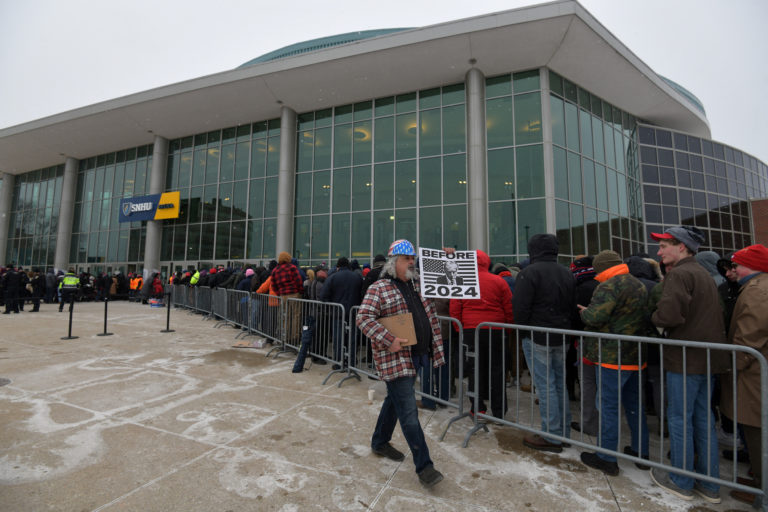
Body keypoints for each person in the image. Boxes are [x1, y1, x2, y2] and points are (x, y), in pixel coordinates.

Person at [356, 239, 446, 488]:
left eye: (413, 260)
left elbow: (449, 280)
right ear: (395, 262)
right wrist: (389, 340)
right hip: (397, 359)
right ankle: (425, 467)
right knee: (408, 412)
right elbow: (363, 318)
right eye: (408, 260)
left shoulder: (417, 285)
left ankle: (379, 441)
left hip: (417, 357)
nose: (412, 263)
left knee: (393, 402)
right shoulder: (379, 288)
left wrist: (449, 257)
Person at [649, 225, 727, 504]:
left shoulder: (680, 274)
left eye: (664, 246)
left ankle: (682, 480)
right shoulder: (702, 273)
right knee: (703, 420)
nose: (659, 252)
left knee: (681, 420)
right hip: (704, 359)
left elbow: (668, 314)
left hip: (685, 360)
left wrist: (656, 318)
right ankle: (710, 484)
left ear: (681, 246)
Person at [578, 250, 650, 476]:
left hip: (611, 357)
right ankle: (641, 452)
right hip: (636, 356)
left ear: (602, 268)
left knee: (607, 407)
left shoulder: (608, 286)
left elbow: (595, 317)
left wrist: (585, 312)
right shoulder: (638, 285)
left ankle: (607, 457)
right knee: (635, 406)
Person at [513, 233, 576, 453]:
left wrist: (523, 332)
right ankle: (562, 432)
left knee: (546, 385)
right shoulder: (567, 273)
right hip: (562, 336)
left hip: (538, 336)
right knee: (559, 384)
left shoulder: (528, 273)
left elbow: (520, 309)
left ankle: (551, 434)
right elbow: (571, 305)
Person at [720, 244, 768, 507]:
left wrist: (732, 364)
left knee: (758, 431)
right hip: (754, 375)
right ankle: (761, 481)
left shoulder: (759, 290)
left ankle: (764, 489)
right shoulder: (755, 288)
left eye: (736, 266)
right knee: (754, 432)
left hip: (754, 377)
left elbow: (750, 338)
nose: (732, 271)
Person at [449, 249, 512, 420]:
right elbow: (508, 307)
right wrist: (508, 328)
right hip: (496, 329)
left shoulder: (462, 281)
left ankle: (478, 408)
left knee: (474, 369)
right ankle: (499, 412)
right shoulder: (499, 281)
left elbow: (455, 308)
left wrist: (459, 328)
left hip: (471, 330)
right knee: (497, 369)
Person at [570, 255, 600, 437]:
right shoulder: (600, 285)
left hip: (587, 341)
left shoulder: (582, 288)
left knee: (589, 383)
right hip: (601, 342)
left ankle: (591, 423)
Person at [320, 257, 363, 369]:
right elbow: (363, 294)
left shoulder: (333, 277)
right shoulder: (357, 277)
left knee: (338, 338)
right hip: (353, 313)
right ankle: (351, 362)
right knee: (352, 339)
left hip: (338, 313)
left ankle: (339, 362)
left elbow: (323, 295)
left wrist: (330, 307)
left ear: (338, 266)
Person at [272, 252, 304, 343]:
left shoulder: (275, 270)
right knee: (296, 316)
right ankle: (295, 337)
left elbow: (273, 285)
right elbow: (298, 281)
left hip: (283, 295)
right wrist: (300, 291)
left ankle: (285, 337)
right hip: (294, 294)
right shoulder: (292, 268)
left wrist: (279, 293)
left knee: (285, 317)